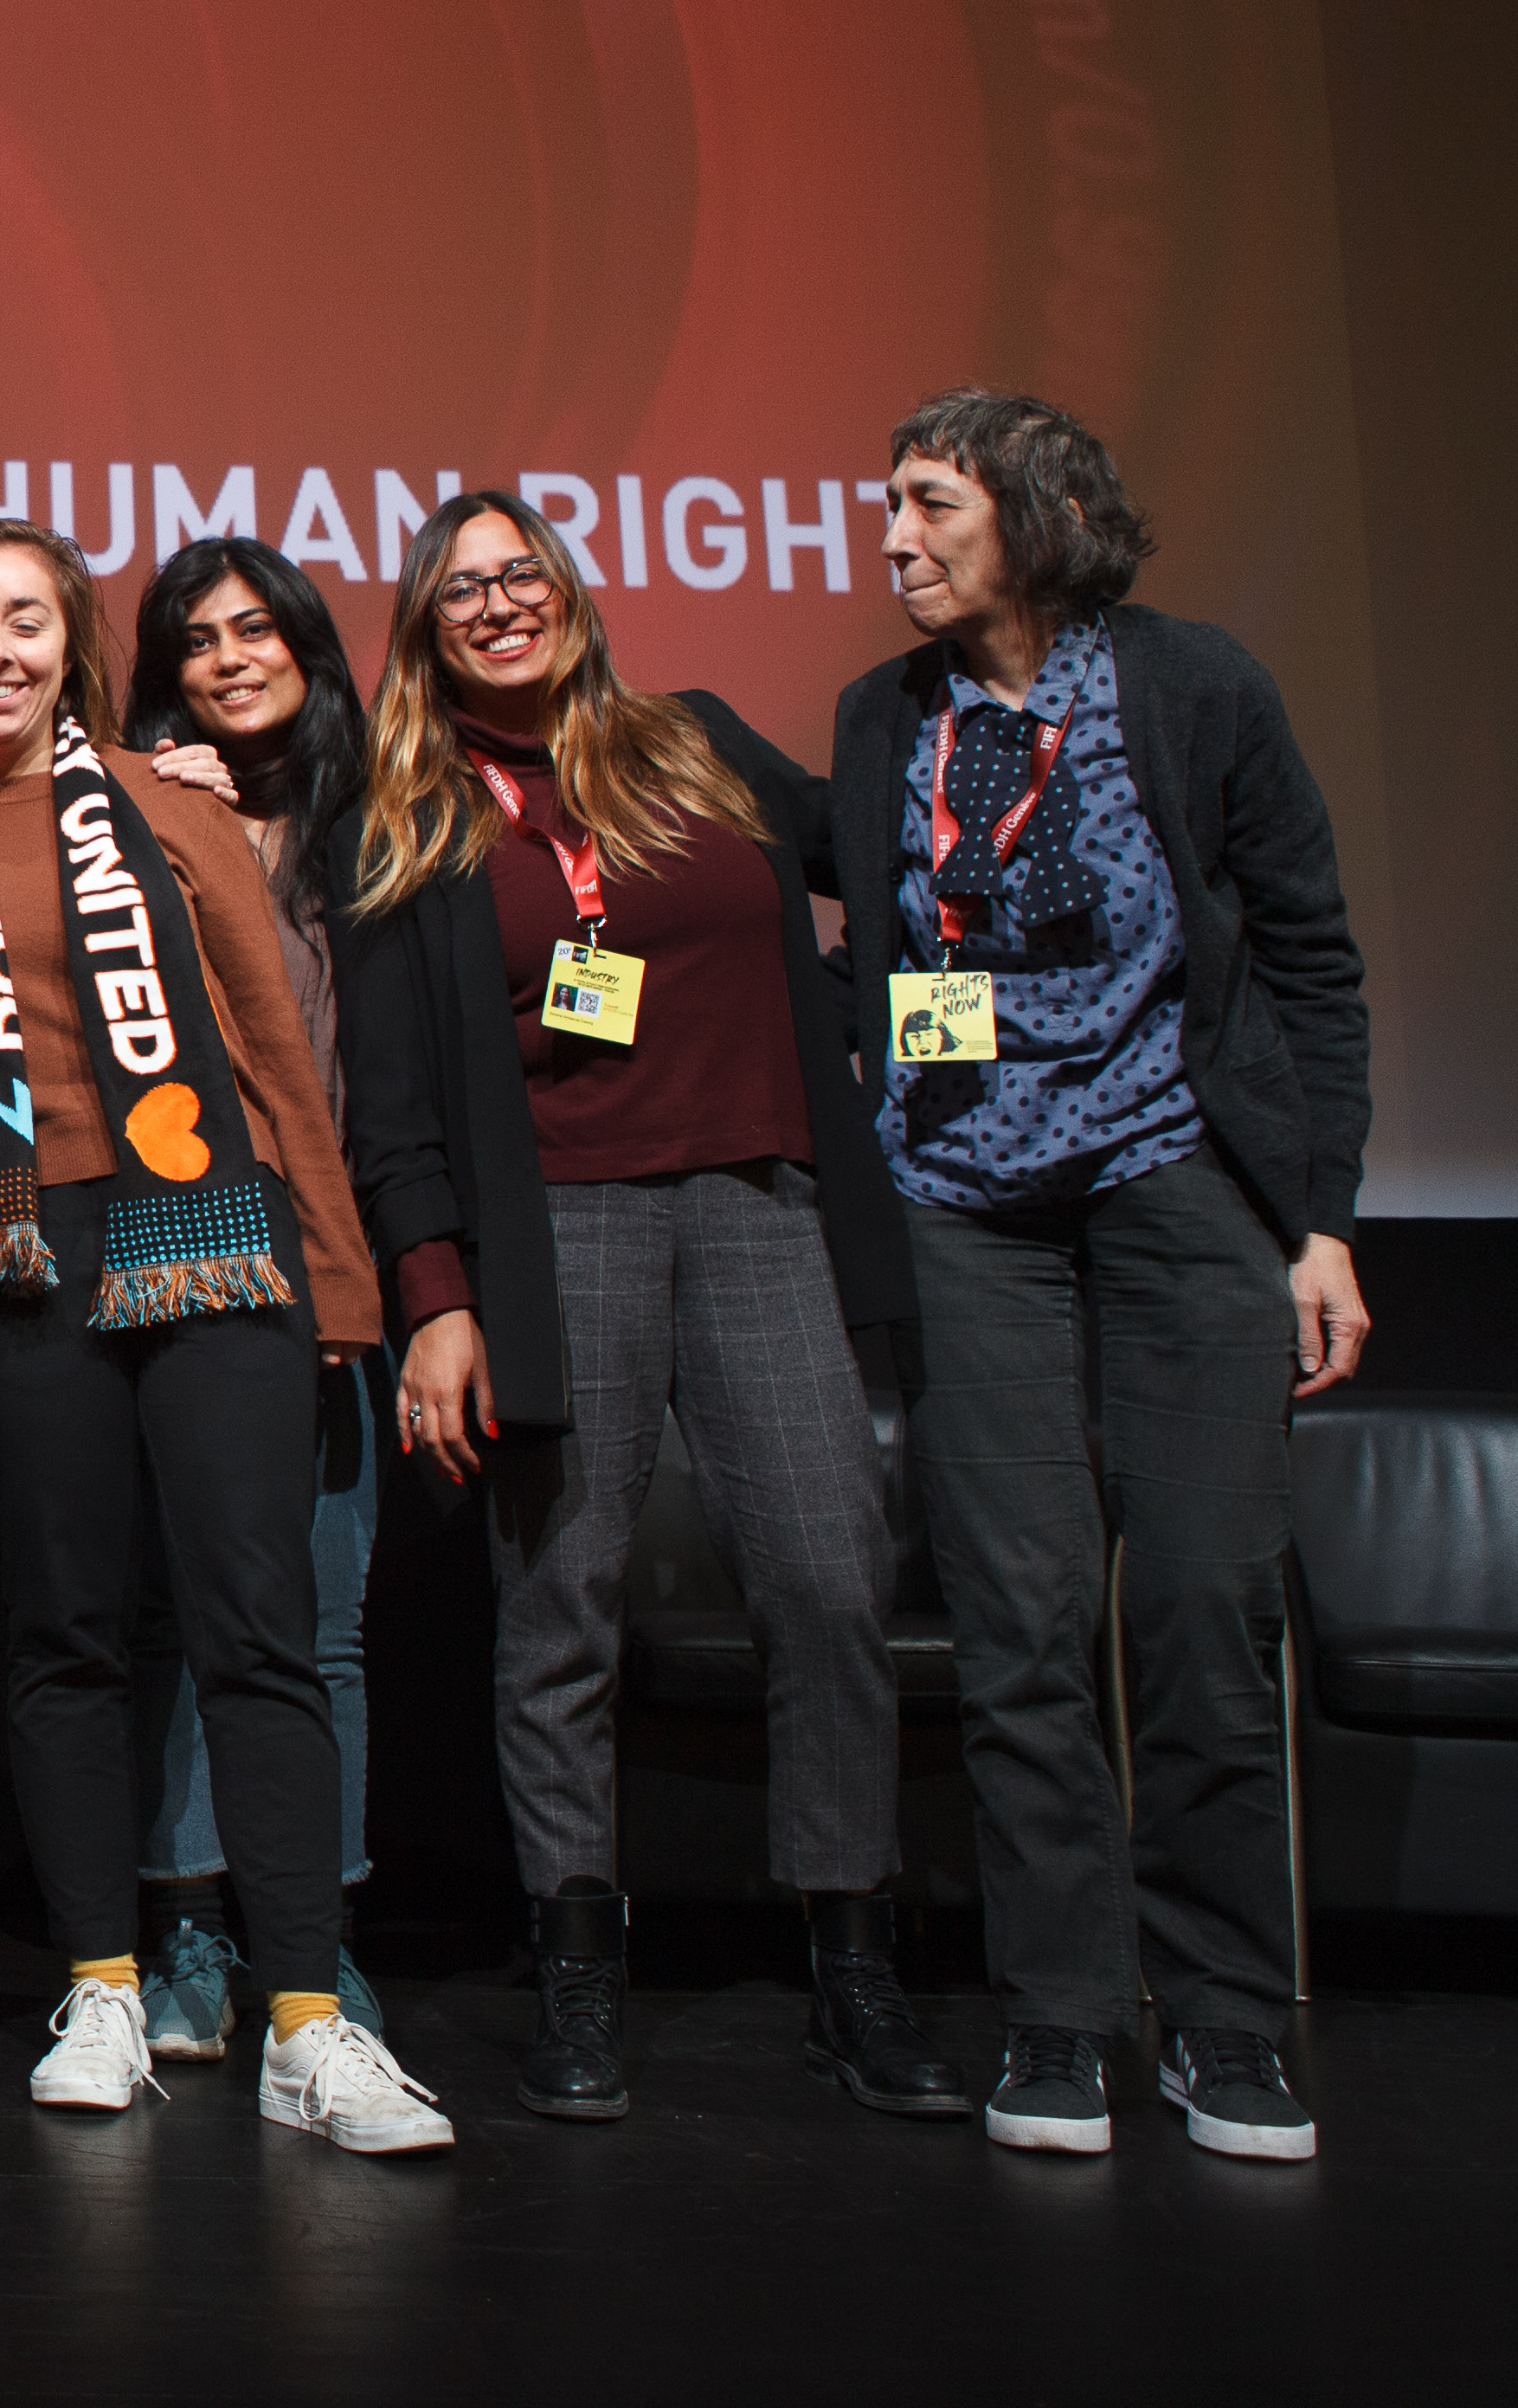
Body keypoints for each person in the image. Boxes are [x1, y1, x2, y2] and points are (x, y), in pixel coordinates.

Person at [338, 492, 962, 2128]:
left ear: (567, 590)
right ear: (424, 629)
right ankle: (577, 1961)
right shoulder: (411, 819)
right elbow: (391, 1107)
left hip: (763, 1204)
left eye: (519, 573)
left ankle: (853, 1959)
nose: (497, 603)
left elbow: (888, 849)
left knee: (830, 1581)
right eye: (460, 588)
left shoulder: (695, 742)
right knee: (562, 1606)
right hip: (559, 1231)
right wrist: (435, 1295)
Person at [844, 390, 1370, 2163]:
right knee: (1019, 1626)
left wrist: (1320, 1216)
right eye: (888, 506)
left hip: (1179, 1181)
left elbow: (1308, 956)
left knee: (1207, 1607)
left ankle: (1226, 2017)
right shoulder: (885, 714)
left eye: (930, 504)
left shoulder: (1194, 683)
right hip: (965, 1202)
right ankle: (1061, 2012)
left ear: (1043, 508)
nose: (894, 539)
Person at [0, 524, 441, 2151]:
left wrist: (338, 1283)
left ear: (70, 640)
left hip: (211, 1225)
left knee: (257, 1629)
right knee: (66, 1631)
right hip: (21, 1240)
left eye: (24, 618)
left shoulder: (171, 801)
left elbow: (277, 1049)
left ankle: (306, 2019)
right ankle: (100, 1984)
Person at [125, 535, 392, 2058]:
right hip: (190, 1248)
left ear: (306, 643)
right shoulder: (133, 815)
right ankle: (187, 1928)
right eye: (196, 639)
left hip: (338, 1255)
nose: (229, 659)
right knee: (188, 1614)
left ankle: (316, 1942)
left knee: (321, 1623)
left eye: (256, 629)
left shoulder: (377, 823)